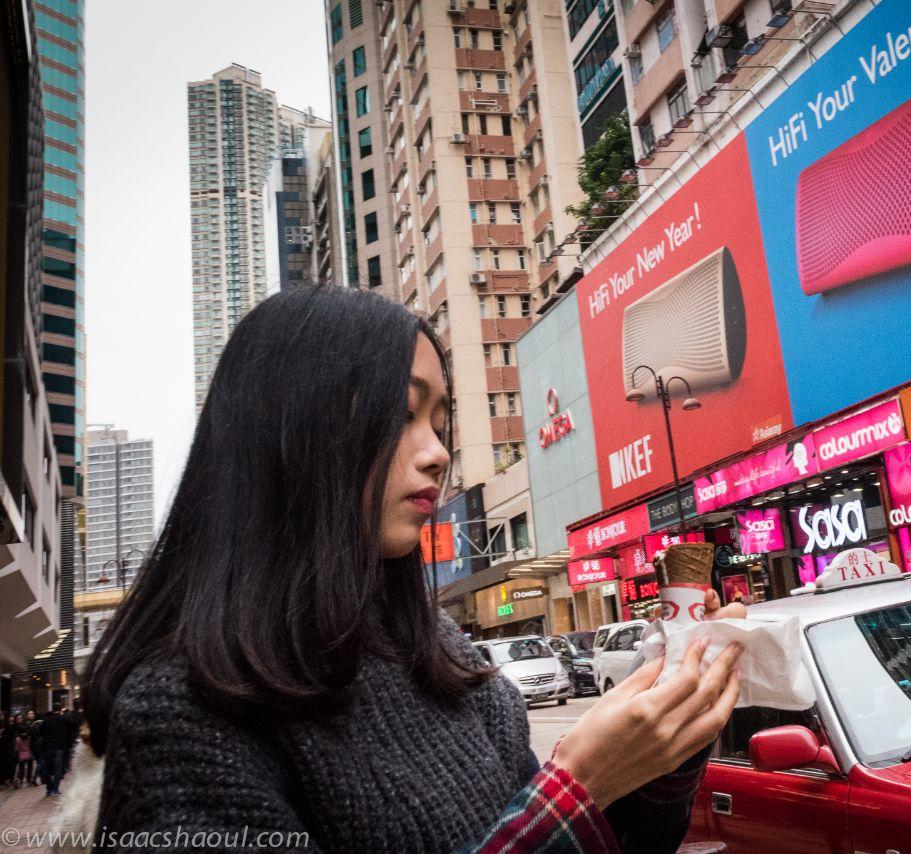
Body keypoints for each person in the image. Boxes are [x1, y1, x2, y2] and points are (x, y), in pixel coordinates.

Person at [84, 287, 744, 852]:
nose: (437, 453)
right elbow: (554, 822)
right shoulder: (181, 715)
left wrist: (666, 737)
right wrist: (576, 790)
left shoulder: (451, 664)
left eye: (440, 420)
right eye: (402, 414)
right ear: (290, 431)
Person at [39, 705, 75, 796]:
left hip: (47, 747)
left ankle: (49, 790)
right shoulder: (64, 720)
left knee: (47, 769)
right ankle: (55, 789)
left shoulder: (46, 720)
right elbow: (70, 731)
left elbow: (41, 733)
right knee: (58, 769)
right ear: (60, 710)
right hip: (59, 747)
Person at [14, 723, 34, 787]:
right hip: (29, 754)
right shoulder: (29, 738)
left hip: (21, 755)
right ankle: (29, 779)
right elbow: (31, 745)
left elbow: (16, 749)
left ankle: (20, 779)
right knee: (30, 767)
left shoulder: (17, 739)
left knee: (21, 768)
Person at [0, 716, 16, 790]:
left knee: (6, 766)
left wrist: (2, 737)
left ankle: (5, 780)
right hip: (3, 751)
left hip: (7, 751)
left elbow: (11, 738)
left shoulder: (9, 728)